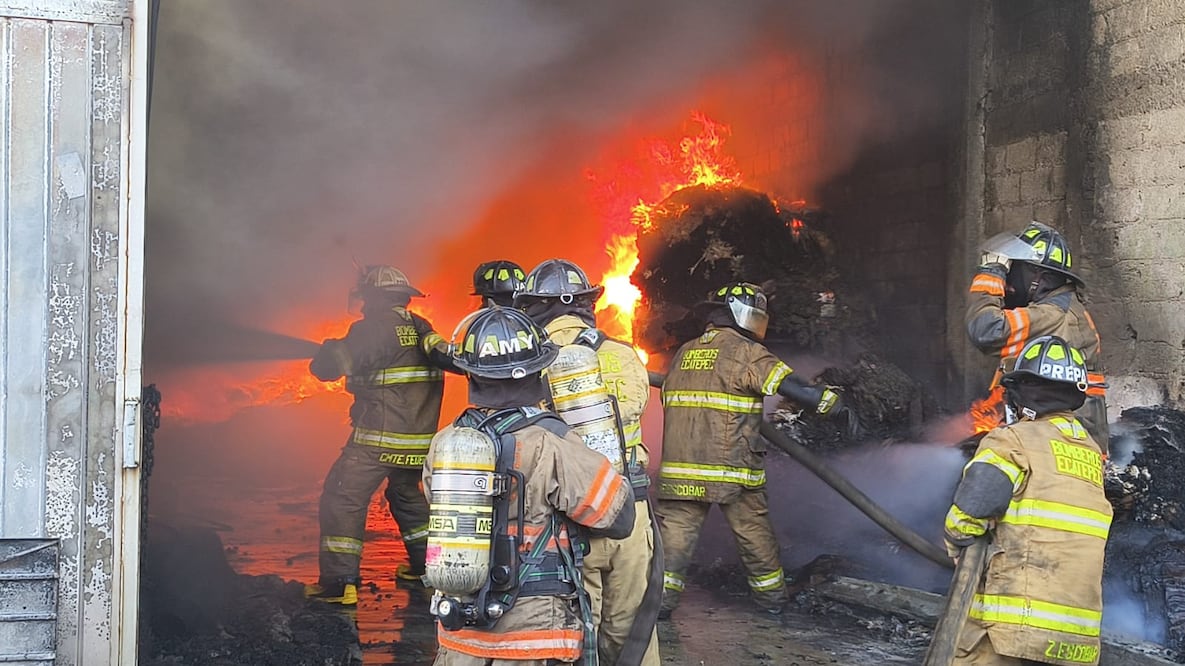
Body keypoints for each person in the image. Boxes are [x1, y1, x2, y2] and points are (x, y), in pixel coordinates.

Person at [424, 306, 635, 665]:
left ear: (470, 374)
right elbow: (618, 517)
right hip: (533, 638)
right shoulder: (551, 442)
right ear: (539, 372)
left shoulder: (446, 443)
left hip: (459, 639)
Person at [657, 282, 851, 617]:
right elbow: (790, 386)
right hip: (733, 468)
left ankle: (658, 607)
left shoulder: (684, 352)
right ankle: (773, 603)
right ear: (742, 314)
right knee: (755, 539)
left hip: (680, 470)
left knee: (672, 547)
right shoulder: (745, 352)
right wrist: (832, 404)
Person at [515, 258, 661, 666]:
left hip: (568, 517)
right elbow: (634, 407)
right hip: (630, 511)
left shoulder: (528, 365)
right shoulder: (624, 355)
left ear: (535, 307)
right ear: (585, 305)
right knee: (633, 630)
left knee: (574, 631)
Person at [943, 335, 1112, 665]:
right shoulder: (1091, 453)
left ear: (1023, 394)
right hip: (1077, 642)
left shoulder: (1013, 439)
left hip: (1012, 627)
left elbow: (969, 513)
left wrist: (953, 545)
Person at [304, 265, 452, 604]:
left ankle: (339, 584)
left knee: (342, 497)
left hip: (378, 439)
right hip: (417, 442)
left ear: (374, 297)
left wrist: (328, 353)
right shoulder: (420, 327)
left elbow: (328, 368)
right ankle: (428, 570)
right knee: (407, 498)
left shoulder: (372, 329)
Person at [966, 222, 1108, 449]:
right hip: (1066, 437)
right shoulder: (1062, 308)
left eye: (1013, 273)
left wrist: (992, 274)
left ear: (1037, 277)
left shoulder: (1052, 315)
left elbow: (986, 330)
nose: (1008, 285)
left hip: (1062, 445)